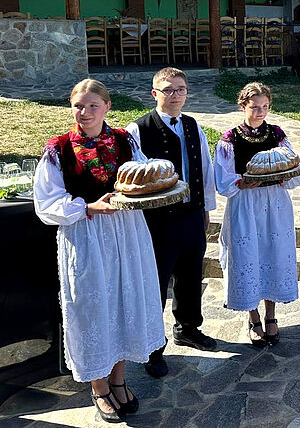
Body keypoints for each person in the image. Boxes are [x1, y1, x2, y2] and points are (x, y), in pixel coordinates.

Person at [34, 79, 164, 422]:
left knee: (124, 302)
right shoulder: (58, 149)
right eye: (79, 105)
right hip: (86, 236)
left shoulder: (124, 140)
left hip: (127, 232)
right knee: (93, 309)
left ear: (107, 107)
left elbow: (142, 176)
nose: (85, 112)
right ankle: (99, 386)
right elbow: (46, 204)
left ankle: (119, 380)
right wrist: (88, 206)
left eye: (93, 105)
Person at [127, 67, 217, 378]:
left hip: (191, 213)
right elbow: (134, 175)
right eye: (168, 89)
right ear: (155, 93)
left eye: (180, 89)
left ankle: (188, 328)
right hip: (157, 220)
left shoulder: (193, 125)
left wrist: (206, 208)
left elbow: (204, 168)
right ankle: (152, 347)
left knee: (191, 274)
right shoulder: (137, 129)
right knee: (155, 281)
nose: (175, 95)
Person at [214, 82, 300, 346]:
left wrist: (284, 176)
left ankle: (271, 316)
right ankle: (253, 318)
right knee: (248, 257)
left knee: (273, 254)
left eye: (264, 106)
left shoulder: (277, 134)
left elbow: (291, 167)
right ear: (243, 106)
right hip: (245, 203)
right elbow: (222, 178)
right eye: (254, 107)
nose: (260, 111)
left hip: (275, 203)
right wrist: (241, 182)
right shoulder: (230, 139)